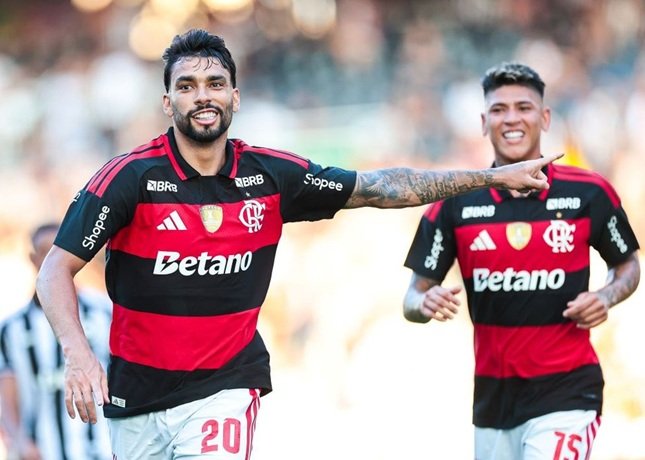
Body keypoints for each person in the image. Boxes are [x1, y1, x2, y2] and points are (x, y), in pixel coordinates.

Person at [35, 30, 561, 460]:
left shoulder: (272, 175)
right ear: (167, 100)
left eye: (216, 83)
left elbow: (382, 188)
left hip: (224, 388)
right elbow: (55, 269)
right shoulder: (128, 178)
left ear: (235, 97)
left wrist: (491, 177)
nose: (203, 96)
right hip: (136, 397)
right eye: (188, 86)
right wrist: (78, 355)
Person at [403, 62, 641, 460]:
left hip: (567, 394)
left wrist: (606, 295)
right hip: (493, 405)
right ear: (484, 122)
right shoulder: (455, 203)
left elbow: (628, 265)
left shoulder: (590, 193)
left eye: (524, 107)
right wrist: (423, 302)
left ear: (544, 118)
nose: (511, 118)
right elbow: (412, 296)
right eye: (499, 109)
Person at [0, 223, 112, 460]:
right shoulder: (12, 328)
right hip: (44, 450)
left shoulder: (104, 311)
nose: (52, 261)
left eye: (59, 252)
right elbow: (6, 391)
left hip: (102, 447)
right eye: (44, 252)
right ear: (32, 259)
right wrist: (19, 441)